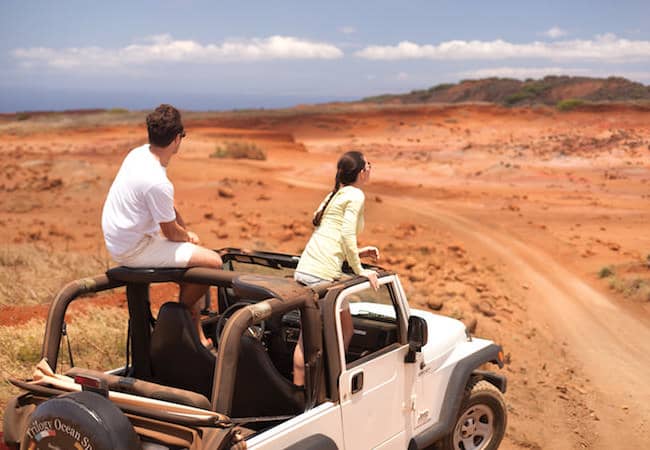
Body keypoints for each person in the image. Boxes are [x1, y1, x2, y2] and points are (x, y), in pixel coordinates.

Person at [101, 104, 222, 348]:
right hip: (133, 249)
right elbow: (169, 231)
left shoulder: (138, 154)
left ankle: (196, 335)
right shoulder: (157, 182)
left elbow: (168, 208)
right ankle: (179, 318)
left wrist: (186, 235)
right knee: (213, 263)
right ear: (177, 139)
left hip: (122, 238)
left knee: (195, 258)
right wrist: (187, 236)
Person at [292, 150, 379, 385]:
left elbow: (330, 234)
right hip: (323, 274)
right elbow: (346, 233)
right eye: (369, 164)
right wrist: (360, 269)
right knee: (343, 333)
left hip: (306, 268)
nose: (371, 168)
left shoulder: (336, 194)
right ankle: (330, 387)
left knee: (306, 337)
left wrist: (358, 254)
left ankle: (300, 392)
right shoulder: (356, 195)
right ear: (362, 172)